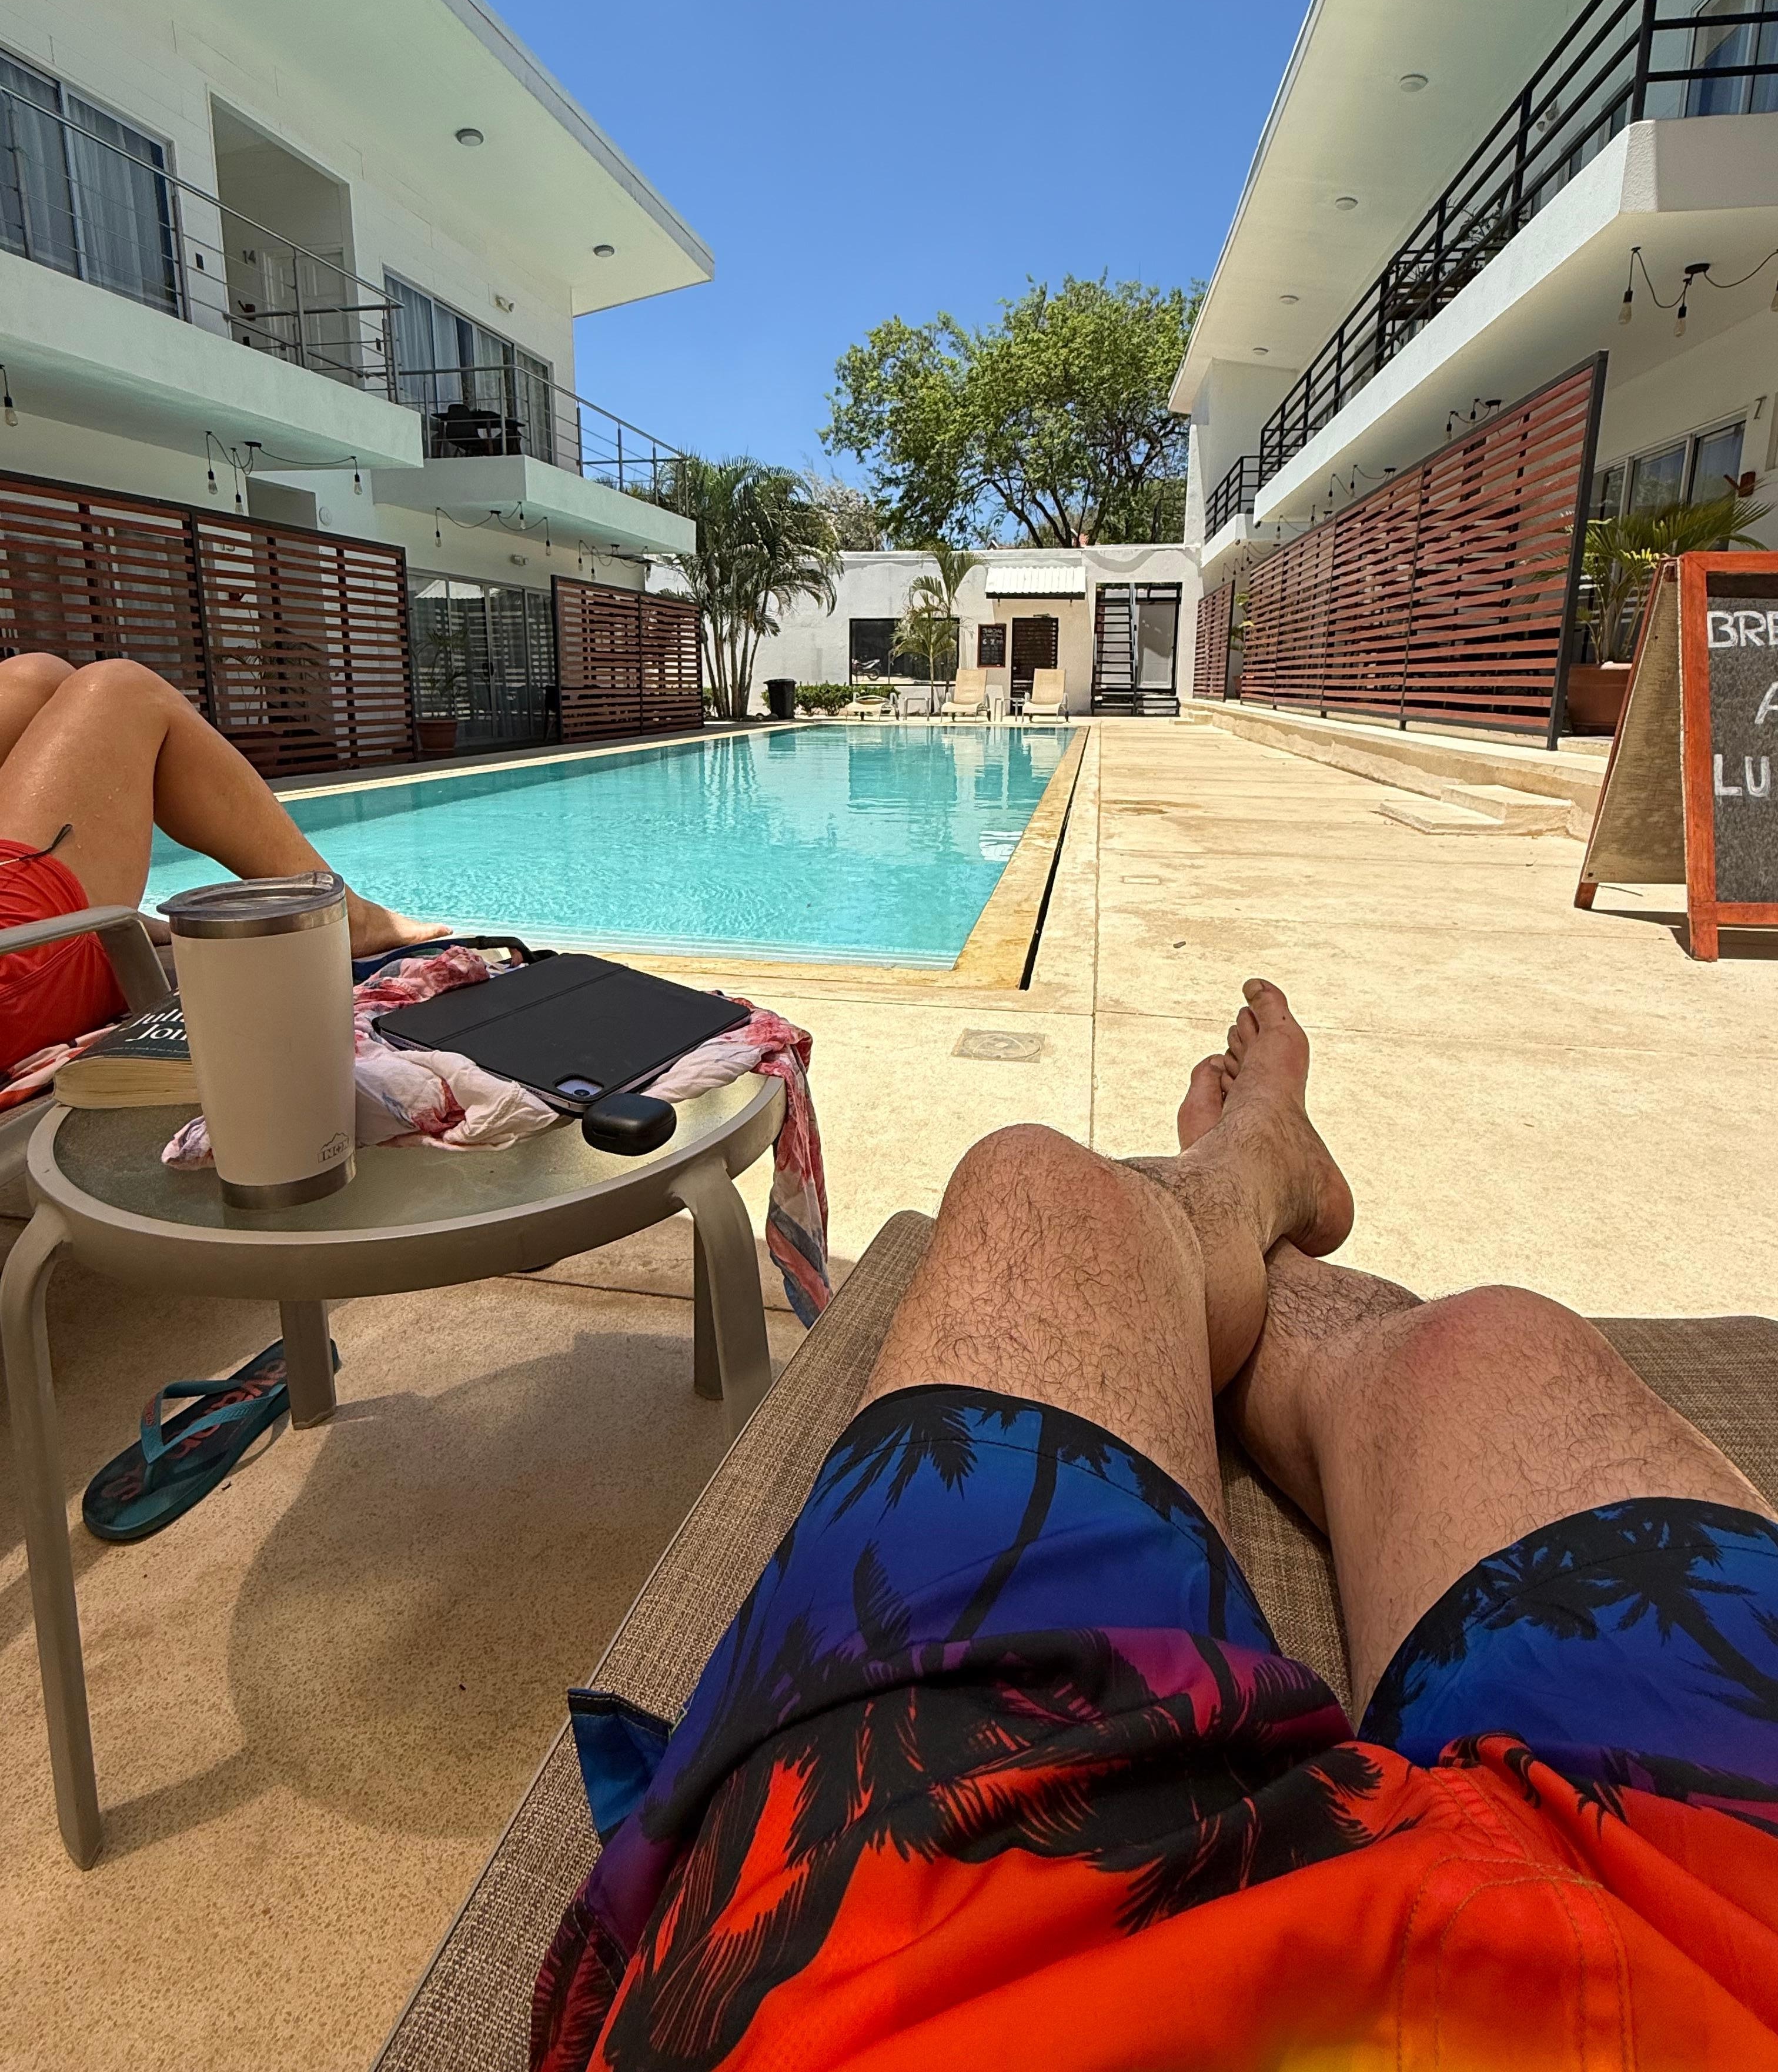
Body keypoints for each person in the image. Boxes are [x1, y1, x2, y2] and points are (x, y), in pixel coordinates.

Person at [533, 981, 1778, 2071]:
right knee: (1493, 1344)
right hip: (1727, 1924)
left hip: (922, 1955)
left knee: (1038, 1190)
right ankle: (1246, 1197)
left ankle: (1234, 1189)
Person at [0, 652, 440, 1074]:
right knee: (124, 690)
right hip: (13, 972)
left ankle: (114, 919)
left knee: (35, 677)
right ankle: (349, 918)